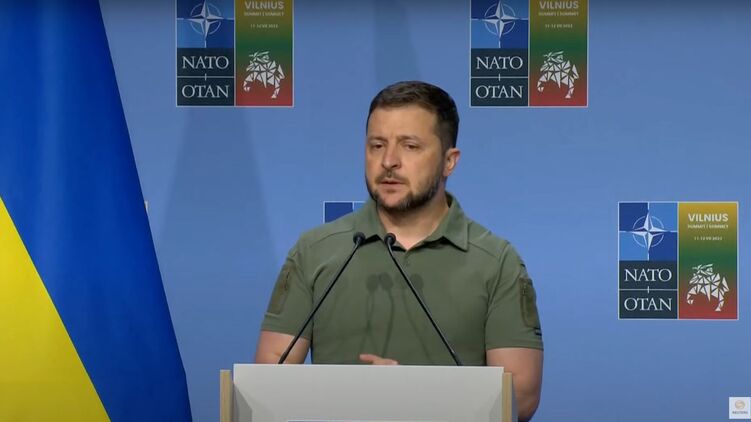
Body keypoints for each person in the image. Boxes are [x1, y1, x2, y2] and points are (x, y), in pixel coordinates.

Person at [255, 80, 543, 421]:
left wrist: (411, 395)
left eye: (410, 146)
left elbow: (521, 395)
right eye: (377, 145)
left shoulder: (496, 262)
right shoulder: (315, 251)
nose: (389, 161)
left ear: (449, 161)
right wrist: (352, 397)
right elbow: (269, 376)